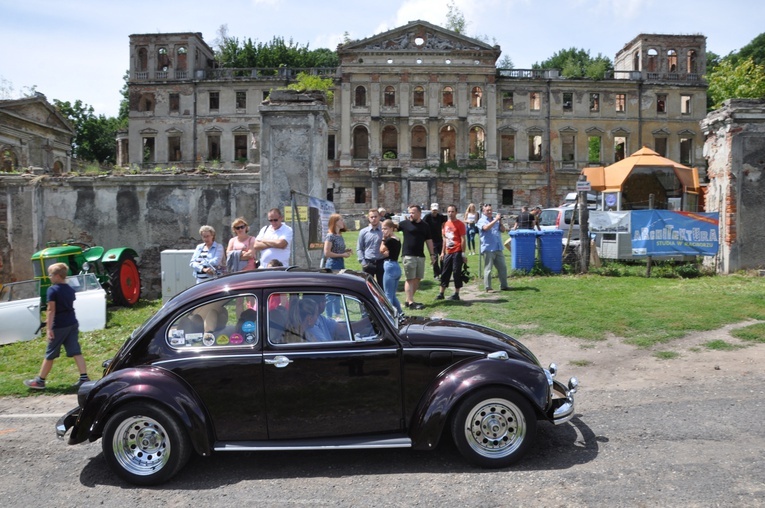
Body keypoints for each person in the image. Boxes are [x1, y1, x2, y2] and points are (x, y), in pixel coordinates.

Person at [24, 262, 89, 390]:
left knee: (50, 353)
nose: (49, 277)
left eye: (50, 275)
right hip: (72, 323)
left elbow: (51, 310)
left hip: (59, 325)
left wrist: (49, 329)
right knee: (76, 351)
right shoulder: (70, 289)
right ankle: (84, 378)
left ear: (58, 276)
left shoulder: (52, 290)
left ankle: (40, 381)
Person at [398, 204, 436, 310]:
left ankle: (408, 300)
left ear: (419, 213)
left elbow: (429, 240)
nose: (411, 214)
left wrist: (432, 255)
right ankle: (411, 302)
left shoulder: (425, 226)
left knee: (418, 278)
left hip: (420, 255)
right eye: (410, 212)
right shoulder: (404, 224)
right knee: (410, 279)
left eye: (413, 212)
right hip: (408, 255)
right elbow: (391, 228)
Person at [436, 205, 467, 301]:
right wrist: (442, 252)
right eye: (449, 211)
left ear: (456, 212)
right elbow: (444, 239)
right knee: (445, 272)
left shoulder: (460, 224)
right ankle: (441, 293)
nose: (450, 213)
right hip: (448, 252)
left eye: (452, 211)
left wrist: (463, 254)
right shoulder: (445, 224)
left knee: (456, 272)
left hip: (457, 251)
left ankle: (456, 293)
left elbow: (463, 239)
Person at [477, 204, 511, 292]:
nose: (489, 212)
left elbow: (503, 230)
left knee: (502, 267)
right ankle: (488, 287)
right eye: (487, 210)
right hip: (488, 248)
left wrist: (500, 222)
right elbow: (486, 228)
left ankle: (504, 285)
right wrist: (495, 219)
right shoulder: (481, 220)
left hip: (498, 247)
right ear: (483, 211)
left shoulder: (494, 220)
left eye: (490, 210)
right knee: (488, 269)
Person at [323, 213, 351, 318]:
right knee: (330, 292)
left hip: (340, 262)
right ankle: (329, 315)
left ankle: (337, 314)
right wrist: (342, 254)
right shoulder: (330, 236)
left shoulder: (339, 235)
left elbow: (336, 249)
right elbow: (327, 253)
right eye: (340, 220)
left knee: (339, 290)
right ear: (335, 222)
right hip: (333, 264)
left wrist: (345, 251)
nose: (343, 222)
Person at [379, 219, 404, 315]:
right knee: (393, 295)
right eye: (382, 229)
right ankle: (400, 313)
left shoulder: (389, 240)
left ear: (391, 228)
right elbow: (388, 252)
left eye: (385, 229)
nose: (383, 231)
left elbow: (381, 250)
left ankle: (389, 315)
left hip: (390, 266)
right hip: (396, 266)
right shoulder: (397, 239)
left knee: (388, 295)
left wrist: (383, 238)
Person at [356, 208, 385, 286]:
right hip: (368, 262)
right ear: (368, 218)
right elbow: (359, 248)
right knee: (368, 287)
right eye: (371, 217)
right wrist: (363, 263)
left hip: (381, 262)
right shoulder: (363, 232)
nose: (374, 219)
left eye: (375, 216)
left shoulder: (384, 231)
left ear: (379, 217)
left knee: (382, 287)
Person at [423, 202, 447, 279]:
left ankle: (443, 272)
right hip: (431, 240)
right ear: (431, 209)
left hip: (440, 239)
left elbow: (446, 222)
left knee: (443, 257)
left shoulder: (440, 216)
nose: (434, 211)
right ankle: (436, 274)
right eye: (433, 210)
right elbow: (423, 225)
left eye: (436, 210)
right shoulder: (427, 217)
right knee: (435, 258)